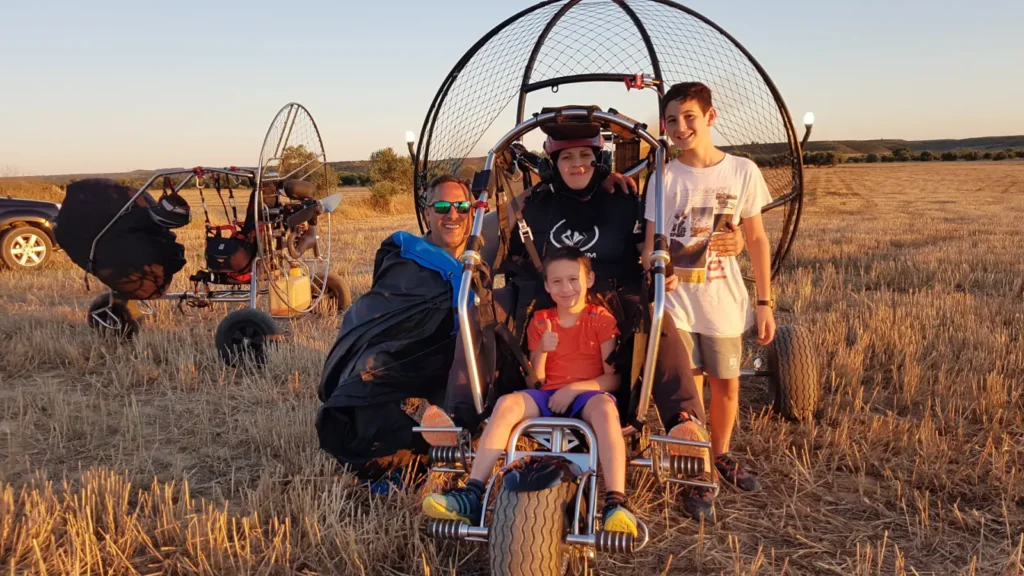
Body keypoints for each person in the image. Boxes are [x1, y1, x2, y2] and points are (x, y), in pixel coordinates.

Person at [423, 118, 744, 521]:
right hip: (540, 294)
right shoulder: (531, 204)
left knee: (657, 316)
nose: (577, 165)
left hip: (610, 291)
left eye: (585, 157)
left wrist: (670, 262)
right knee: (477, 312)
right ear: (552, 163)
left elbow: (653, 242)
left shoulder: (625, 200)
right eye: (567, 158)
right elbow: (482, 236)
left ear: (599, 160)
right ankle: (459, 418)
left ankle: (683, 422)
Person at [422, 247, 639, 535]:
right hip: (547, 393)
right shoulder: (541, 320)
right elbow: (535, 380)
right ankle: (473, 493)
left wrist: (573, 390)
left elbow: (612, 379)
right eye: (557, 282)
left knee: (605, 409)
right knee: (507, 404)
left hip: (587, 395)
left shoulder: (600, 319)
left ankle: (615, 502)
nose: (566, 288)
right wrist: (544, 352)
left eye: (573, 279)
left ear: (589, 280)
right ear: (547, 286)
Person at [643, 82, 777, 510]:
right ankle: (696, 470)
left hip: (723, 302)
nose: (680, 128)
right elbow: (651, 245)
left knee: (727, 388)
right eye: (671, 121)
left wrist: (764, 302)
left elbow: (755, 239)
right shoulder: (663, 177)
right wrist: (656, 270)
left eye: (689, 118)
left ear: (710, 117)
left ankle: (721, 455)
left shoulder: (741, 171)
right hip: (679, 304)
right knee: (689, 391)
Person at [315, 174, 474, 490]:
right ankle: (405, 458)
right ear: (427, 212)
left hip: (452, 361)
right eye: (442, 206)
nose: (452, 215)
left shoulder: (479, 255)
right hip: (403, 357)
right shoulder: (406, 258)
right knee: (360, 399)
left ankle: (454, 426)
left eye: (462, 206)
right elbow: (383, 316)